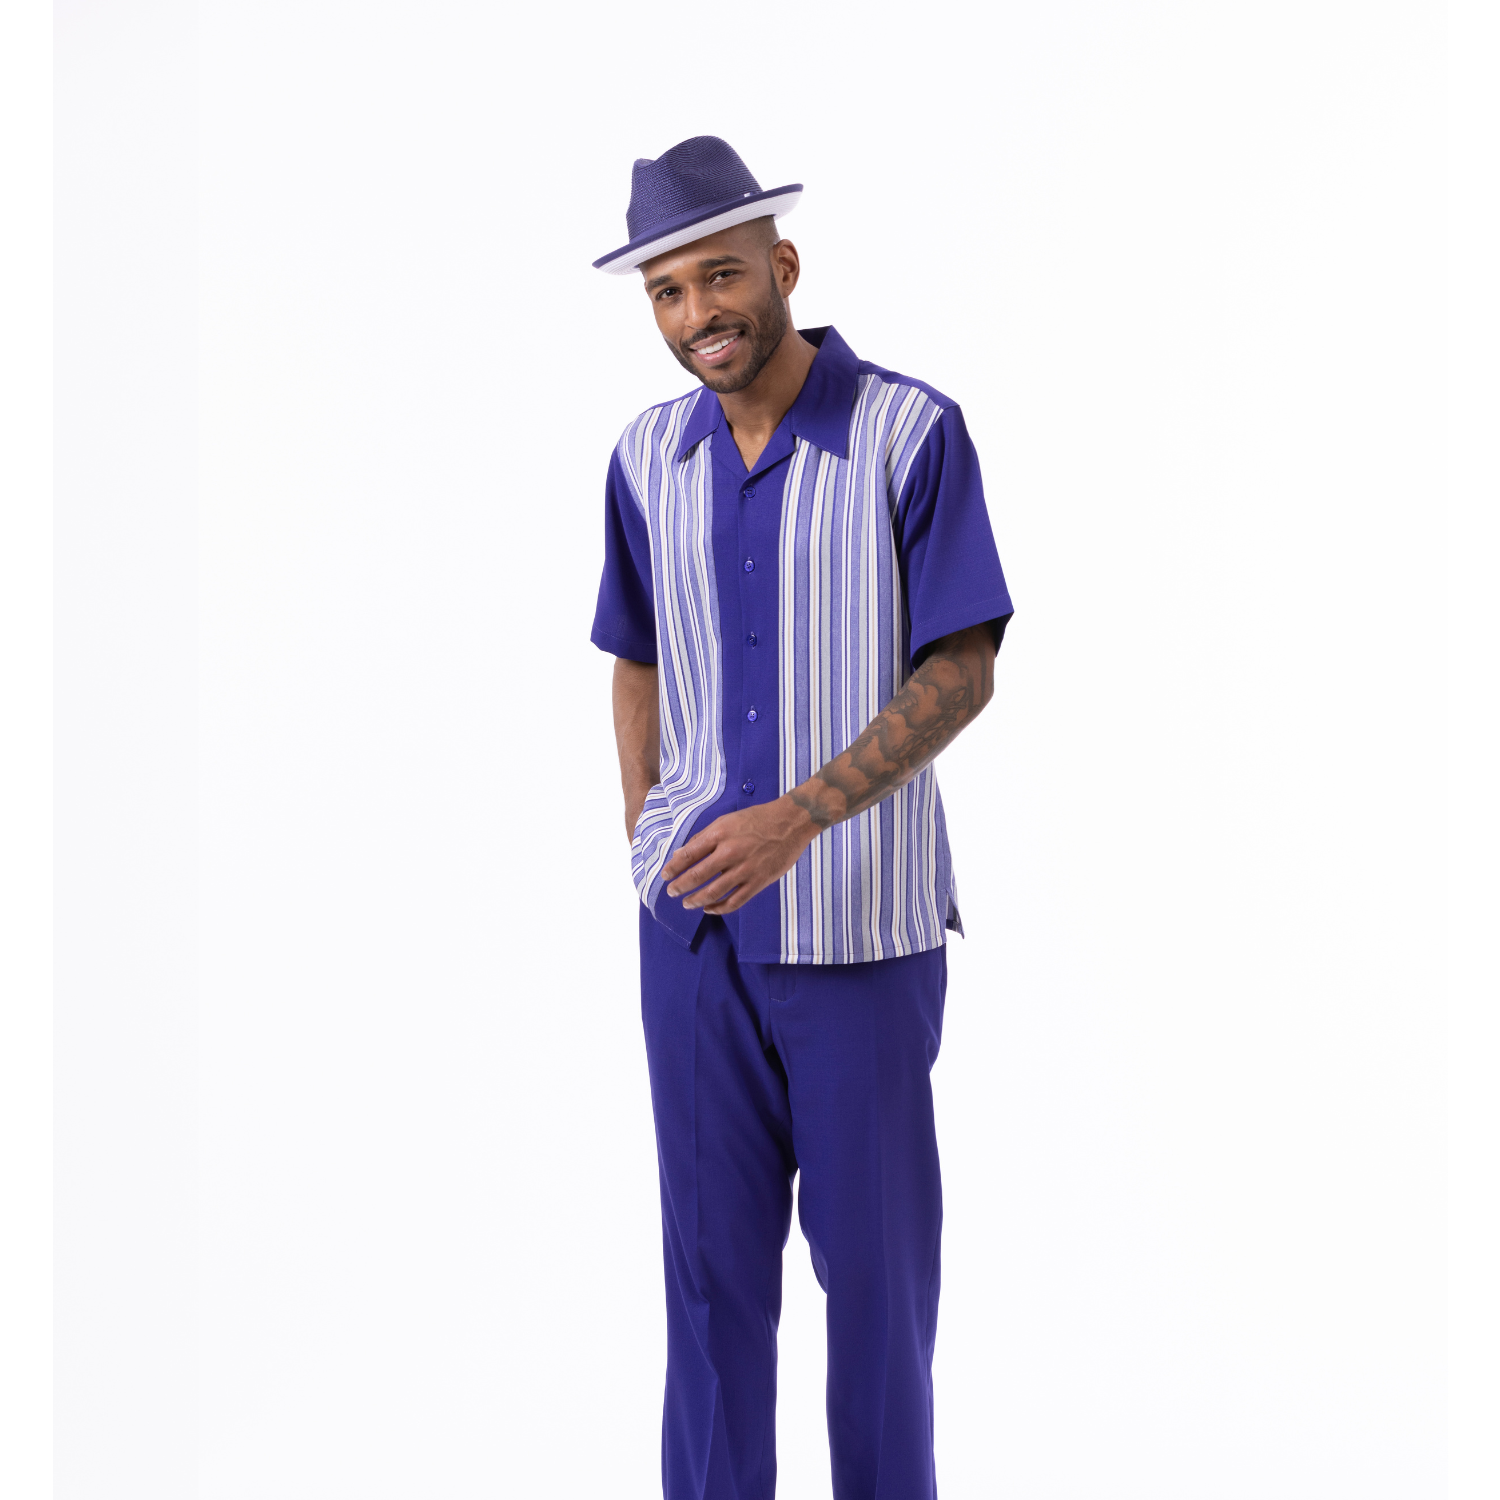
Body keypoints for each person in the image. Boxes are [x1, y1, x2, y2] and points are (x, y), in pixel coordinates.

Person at [590, 135, 1013, 1500]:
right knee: (708, 1295)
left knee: (878, 1298)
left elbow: (963, 669)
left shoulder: (908, 432)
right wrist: (649, 841)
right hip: (695, 944)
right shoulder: (645, 458)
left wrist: (799, 819)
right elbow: (635, 657)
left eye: (719, 276)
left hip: (862, 937)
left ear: (781, 265)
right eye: (666, 292)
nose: (696, 314)